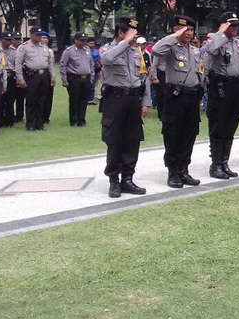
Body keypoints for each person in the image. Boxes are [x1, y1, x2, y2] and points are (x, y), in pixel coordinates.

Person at [99, 17, 151, 198]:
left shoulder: (137, 51)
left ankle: (127, 179)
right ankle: (114, 180)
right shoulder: (108, 49)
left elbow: (144, 78)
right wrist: (126, 42)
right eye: (132, 34)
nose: (135, 38)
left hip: (133, 99)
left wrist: (145, 102)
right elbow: (106, 59)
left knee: (132, 140)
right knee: (115, 140)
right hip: (115, 99)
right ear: (121, 33)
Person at [152, 15, 204, 189]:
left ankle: (184, 169)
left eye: (191, 30)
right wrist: (174, 36)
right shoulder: (170, 48)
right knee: (173, 134)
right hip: (175, 96)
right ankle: (173, 172)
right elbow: (156, 50)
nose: (188, 33)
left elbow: (199, 72)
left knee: (190, 134)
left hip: (192, 96)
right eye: (184, 30)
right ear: (176, 30)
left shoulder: (195, 50)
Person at [203, 11, 239, 179]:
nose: (235, 28)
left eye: (236, 25)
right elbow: (210, 50)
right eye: (231, 25)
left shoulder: (237, 42)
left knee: (231, 125)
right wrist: (221, 33)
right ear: (223, 26)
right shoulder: (215, 40)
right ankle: (215, 164)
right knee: (218, 125)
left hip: (235, 86)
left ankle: (224, 162)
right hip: (220, 86)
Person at [15, 26, 55, 131]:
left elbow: (50, 63)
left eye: (40, 35)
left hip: (44, 75)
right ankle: (31, 124)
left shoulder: (44, 47)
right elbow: (18, 64)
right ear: (31, 35)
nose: (39, 37)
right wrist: (20, 79)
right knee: (31, 100)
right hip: (31, 75)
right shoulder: (24, 47)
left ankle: (39, 123)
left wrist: (52, 76)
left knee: (42, 100)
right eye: (37, 35)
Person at [60, 32, 95, 127]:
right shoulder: (69, 51)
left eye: (85, 40)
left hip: (86, 78)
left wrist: (91, 78)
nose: (83, 42)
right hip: (74, 78)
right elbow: (63, 65)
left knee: (84, 100)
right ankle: (74, 120)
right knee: (74, 100)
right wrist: (64, 79)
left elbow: (91, 64)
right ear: (75, 40)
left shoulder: (87, 50)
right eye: (81, 40)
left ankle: (81, 119)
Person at [0, 32, 16, 128]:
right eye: (7, 40)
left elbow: (17, 65)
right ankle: (1, 121)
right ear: (2, 40)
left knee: (10, 100)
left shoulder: (14, 51)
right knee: (0, 100)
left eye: (10, 40)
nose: (9, 42)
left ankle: (10, 121)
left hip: (11, 77)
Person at [41, 33, 55, 124]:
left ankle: (46, 117)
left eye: (46, 38)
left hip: (48, 74)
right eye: (43, 37)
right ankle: (39, 116)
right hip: (38, 74)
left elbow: (52, 65)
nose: (45, 39)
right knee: (40, 96)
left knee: (49, 97)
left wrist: (53, 76)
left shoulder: (50, 51)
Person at [11, 32, 25, 121]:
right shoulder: (9, 50)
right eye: (16, 39)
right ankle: (11, 115)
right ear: (12, 40)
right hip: (12, 76)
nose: (18, 41)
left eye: (19, 39)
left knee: (21, 97)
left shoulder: (23, 49)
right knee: (11, 97)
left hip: (22, 76)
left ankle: (20, 116)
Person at [87, 38, 102, 105]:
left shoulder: (96, 51)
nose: (92, 45)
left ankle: (91, 99)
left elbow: (99, 60)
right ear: (87, 43)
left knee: (93, 85)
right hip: (87, 71)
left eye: (93, 43)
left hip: (96, 70)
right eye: (90, 43)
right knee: (87, 85)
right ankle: (86, 99)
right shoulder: (85, 51)